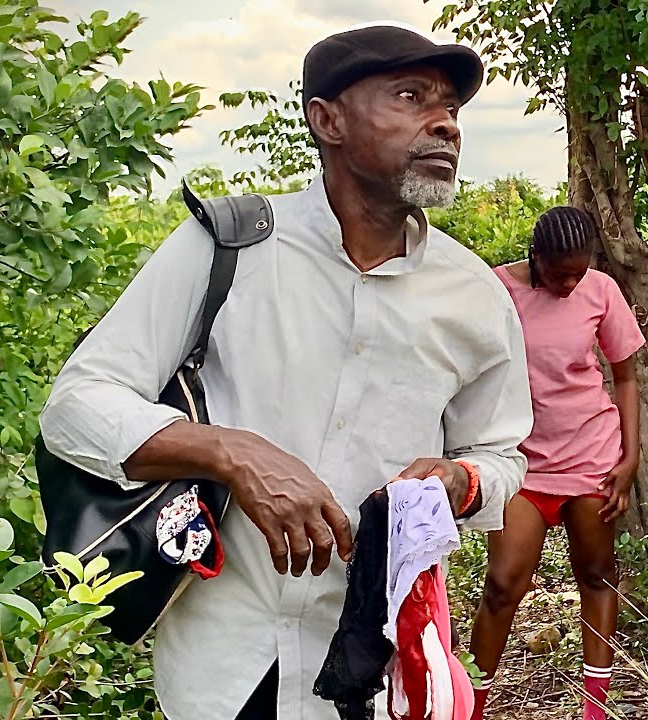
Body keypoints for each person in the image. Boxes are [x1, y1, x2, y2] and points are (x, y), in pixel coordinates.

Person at [39, 25, 533, 720]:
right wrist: (232, 453)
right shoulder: (228, 246)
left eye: (450, 107)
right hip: (227, 661)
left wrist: (461, 481)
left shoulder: (474, 294)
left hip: (380, 663)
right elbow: (75, 408)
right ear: (326, 119)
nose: (445, 124)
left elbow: (499, 454)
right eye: (410, 96)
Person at [466, 207, 645, 720]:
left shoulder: (600, 291)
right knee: (503, 584)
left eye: (579, 271)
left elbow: (625, 376)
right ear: (535, 256)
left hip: (592, 457)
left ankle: (594, 707)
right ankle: (473, 701)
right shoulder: (496, 289)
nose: (570, 283)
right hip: (520, 464)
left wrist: (630, 457)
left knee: (596, 574)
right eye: (559, 272)